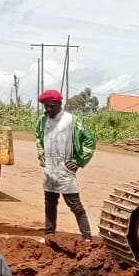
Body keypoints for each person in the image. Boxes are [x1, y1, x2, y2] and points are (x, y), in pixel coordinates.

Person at [35, 88, 95, 241]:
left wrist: (79, 161)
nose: (48, 109)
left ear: (59, 103)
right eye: (46, 106)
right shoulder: (42, 121)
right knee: (49, 204)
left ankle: (87, 238)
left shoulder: (72, 121)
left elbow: (89, 141)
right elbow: (38, 138)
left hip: (65, 170)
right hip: (49, 171)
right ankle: (49, 234)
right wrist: (41, 154)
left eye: (52, 106)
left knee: (75, 206)